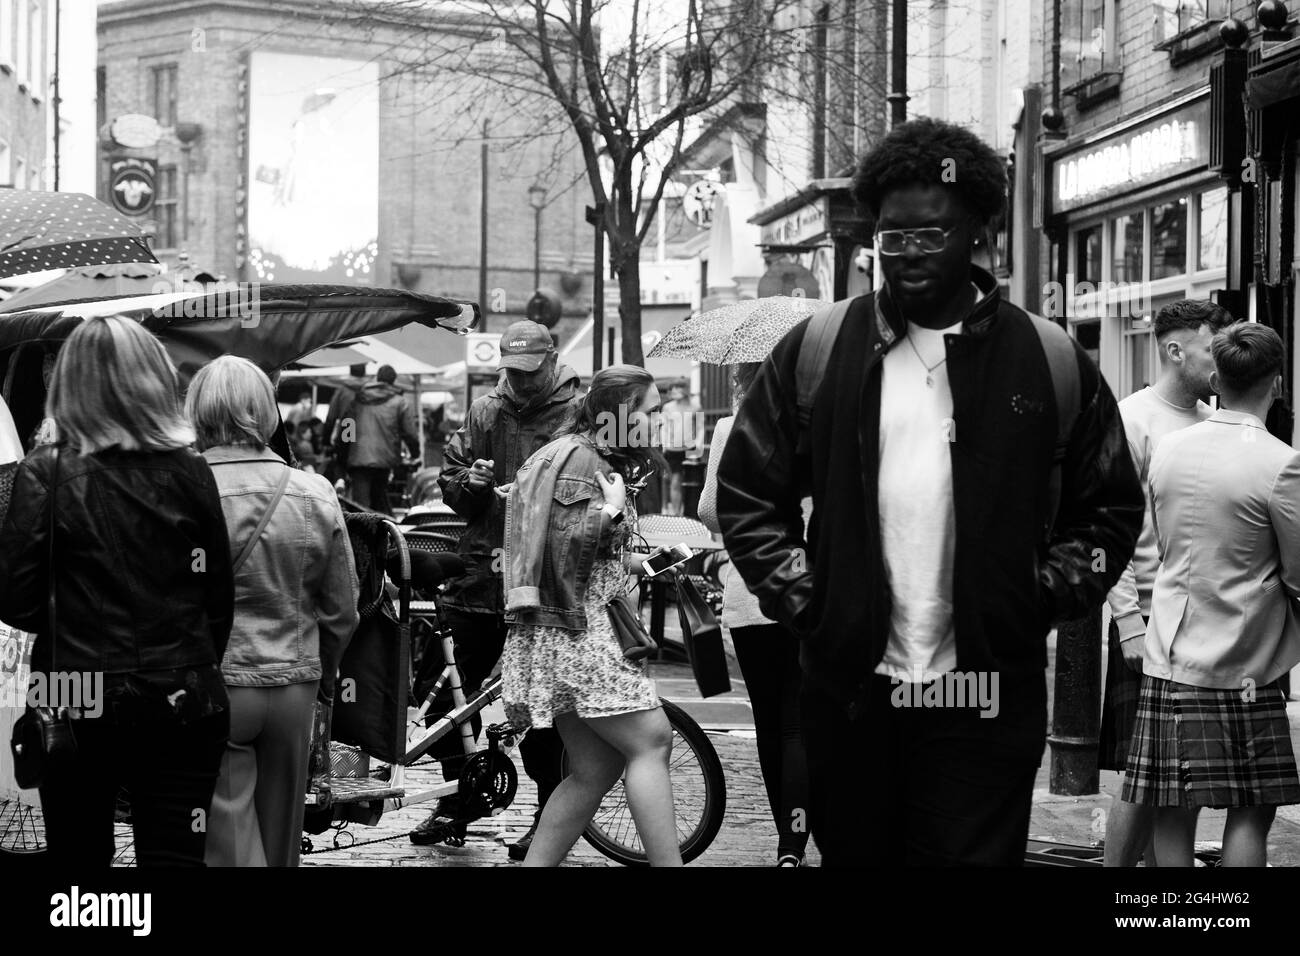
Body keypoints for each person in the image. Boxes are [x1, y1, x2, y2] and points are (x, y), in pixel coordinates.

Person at [717, 117, 1143, 866]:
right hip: (855, 690)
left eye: (931, 234)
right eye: (892, 236)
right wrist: (811, 602)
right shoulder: (820, 349)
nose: (908, 254)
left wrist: (1034, 598)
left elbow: (1107, 507)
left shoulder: (1046, 358)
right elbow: (749, 493)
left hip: (984, 690)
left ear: (976, 231)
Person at [0, 315, 234, 867]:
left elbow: (18, 603)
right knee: (175, 853)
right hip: (182, 690)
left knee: (78, 854)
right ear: (155, 380)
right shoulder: (192, 471)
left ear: (69, 384)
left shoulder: (46, 473)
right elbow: (218, 598)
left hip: (74, 690)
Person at [1123, 322, 1300, 867]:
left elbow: (1160, 536)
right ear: (1275, 383)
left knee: (1174, 806)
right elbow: (1297, 575)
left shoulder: (1169, 448)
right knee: (1252, 806)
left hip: (1171, 651)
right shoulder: (1280, 463)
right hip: (1247, 659)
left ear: (1216, 377)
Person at [408, 320, 580, 857]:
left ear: (552, 361)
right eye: (513, 372)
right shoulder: (487, 411)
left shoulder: (578, 410)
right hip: (480, 578)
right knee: (441, 699)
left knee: (541, 711)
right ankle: (463, 796)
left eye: (531, 373)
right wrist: (470, 483)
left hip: (544, 582)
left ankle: (548, 818)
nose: (521, 383)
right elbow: (453, 480)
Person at [502, 364, 681, 867]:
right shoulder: (585, 461)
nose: (661, 421)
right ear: (621, 414)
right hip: (581, 632)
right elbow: (565, 545)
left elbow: (577, 551)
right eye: (653, 411)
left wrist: (635, 556)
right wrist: (612, 512)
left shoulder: (577, 454)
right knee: (651, 741)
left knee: (594, 768)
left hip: (567, 632)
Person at [187, 356, 360, 867]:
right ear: (266, 411)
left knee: (228, 837)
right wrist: (324, 676)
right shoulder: (315, 491)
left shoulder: (183, 490)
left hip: (217, 681)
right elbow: (341, 609)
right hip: (294, 683)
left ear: (198, 411)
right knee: (283, 834)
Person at [1100, 299, 1232, 867]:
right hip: (1148, 621)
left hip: (1199, 623)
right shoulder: (1131, 419)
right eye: (1212, 348)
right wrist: (1128, 621)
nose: (1221, 362)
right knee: (1141, 772)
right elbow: (1108, 529)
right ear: (1177, 351)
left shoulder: (1214, 422)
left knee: (1184, 776)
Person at [699, 362, 812, 867]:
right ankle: (806, 835)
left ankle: (787, 848)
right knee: (805, 723)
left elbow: (710, 509)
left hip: (754, 588)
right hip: (813, 588)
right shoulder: (822, 417)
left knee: (771, 722)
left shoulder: (732, 426)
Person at [341, 364, 420, 513]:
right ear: (393, 381)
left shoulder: (357, 399)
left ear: (377, 378)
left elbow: (347, 425)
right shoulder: (400, 402)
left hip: (358, 459)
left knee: (361, 506)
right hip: (385, 459)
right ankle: (379, 532)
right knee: (378, 499)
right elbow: (410, 433)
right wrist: (415, 453)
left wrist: (345, 453)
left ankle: (363, 534)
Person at [659, 378, 701, 515]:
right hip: (673, 449)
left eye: (680, 387)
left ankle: (688, 512)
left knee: (691, 481)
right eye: (674, 387)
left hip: (690, 448)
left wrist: (698, 447)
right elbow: (664, 428)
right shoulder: (668, 407)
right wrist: (665, 445)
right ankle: (676, 514)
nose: (676, 390)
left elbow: (700, 428)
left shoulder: (695, 407)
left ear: (686, 389)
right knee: (675, 480)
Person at [323, 363, 369, 482]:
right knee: (361, 461)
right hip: (366, 427)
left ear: (350, 371)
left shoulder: (342, 389)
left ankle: (341, 480)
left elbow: (331, 417)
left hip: (348, 425)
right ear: (364, 372)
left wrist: (326, 439)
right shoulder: (369, 389)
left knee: (342, 458)